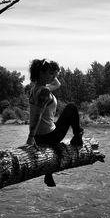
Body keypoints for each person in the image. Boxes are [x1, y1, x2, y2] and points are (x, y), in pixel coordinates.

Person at [26, 58, 84, 187]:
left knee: (56, 121)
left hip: (40, 136)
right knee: (71, 107)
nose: (54, 77)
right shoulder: (45, 92)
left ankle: (49, 172)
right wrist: (30, 138)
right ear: (41, 73)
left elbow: (58, 84)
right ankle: (78, 138)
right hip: (49, 136)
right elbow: (37, 116)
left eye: (54, 74)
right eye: (51, 73)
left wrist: (50, 66)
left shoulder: (35, 89)